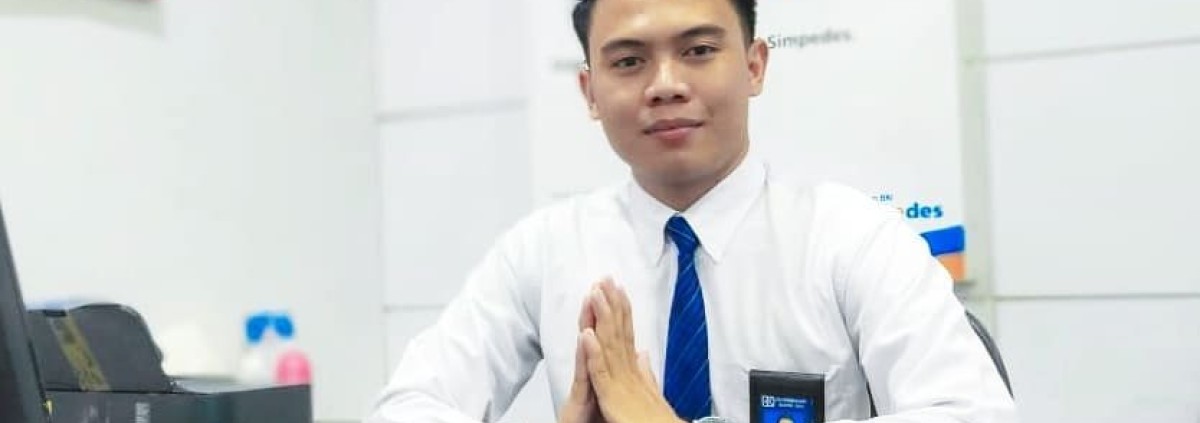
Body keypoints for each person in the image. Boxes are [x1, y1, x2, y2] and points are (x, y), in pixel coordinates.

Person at [367, 0, 1018, 422]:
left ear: (755, 65)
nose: (666, 84)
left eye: (699, 50)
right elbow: (410, 405)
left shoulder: (855, 238)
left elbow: (972, 412)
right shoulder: (543, 250)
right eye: (629, 61)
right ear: (590, 91)